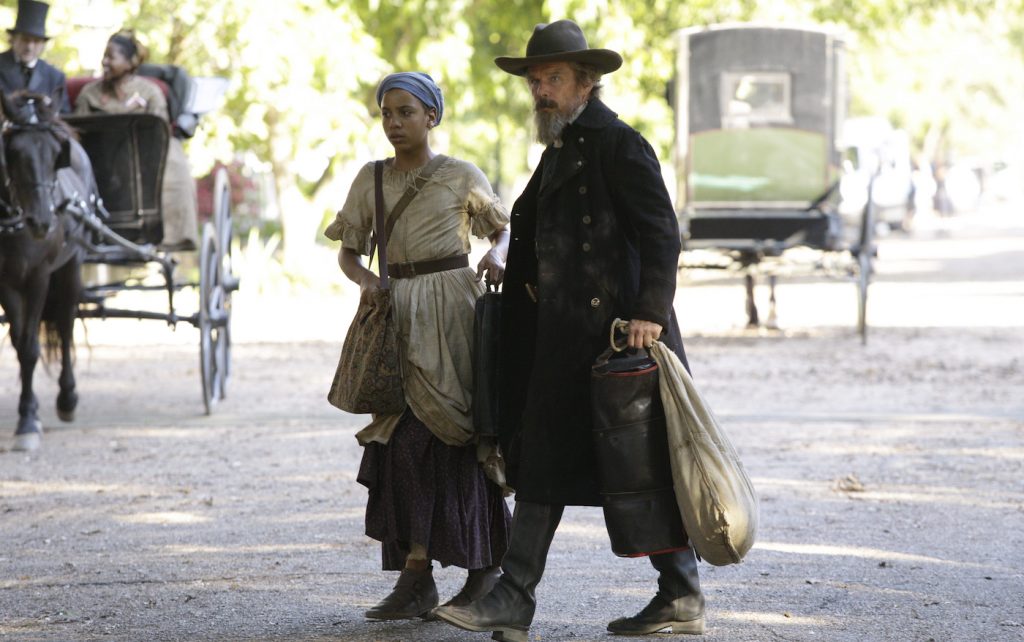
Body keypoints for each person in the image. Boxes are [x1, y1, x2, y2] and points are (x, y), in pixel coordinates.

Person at [434, 19, 705, 641]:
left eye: (552, 78)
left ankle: (670, 594)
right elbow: (536, 229)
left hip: (617, 337)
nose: (540, 91)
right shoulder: (562, 147)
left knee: (635, 463)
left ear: (586, 81)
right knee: (549, 464)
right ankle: (520, 599)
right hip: (563, 340)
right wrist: (511, 263)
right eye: (535, 80)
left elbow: (662, 234)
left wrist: (649, 314)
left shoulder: (619, 145)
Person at [324, 71, 512, 621]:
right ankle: (416, 576)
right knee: (401, 445)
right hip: (395, 316)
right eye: (386, 113)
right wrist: (368, 282)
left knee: (457, 435)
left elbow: (500, 227)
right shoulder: (371, 179)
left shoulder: (460, 175)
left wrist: (497, 254)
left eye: (406, 112)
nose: (394, 123)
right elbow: (349, 252)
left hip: (453, 312)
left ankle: (484, 572)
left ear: (432, 116)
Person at [74, 30, 198, 251]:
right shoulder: (89, 94)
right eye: (104, 56)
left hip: (143, 161)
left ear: (130, 63)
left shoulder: (149, 93)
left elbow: (160, 132)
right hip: (101, 160)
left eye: (111, 57)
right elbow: (78, 133)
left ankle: (171, 233)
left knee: (174, 161)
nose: (105, 62)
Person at [0, 0, 69, 112]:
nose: (29, 47)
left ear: (43, 45)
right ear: (13, 39)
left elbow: (64, 115)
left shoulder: (54, 77)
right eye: (25, 39)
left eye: (36, 41)